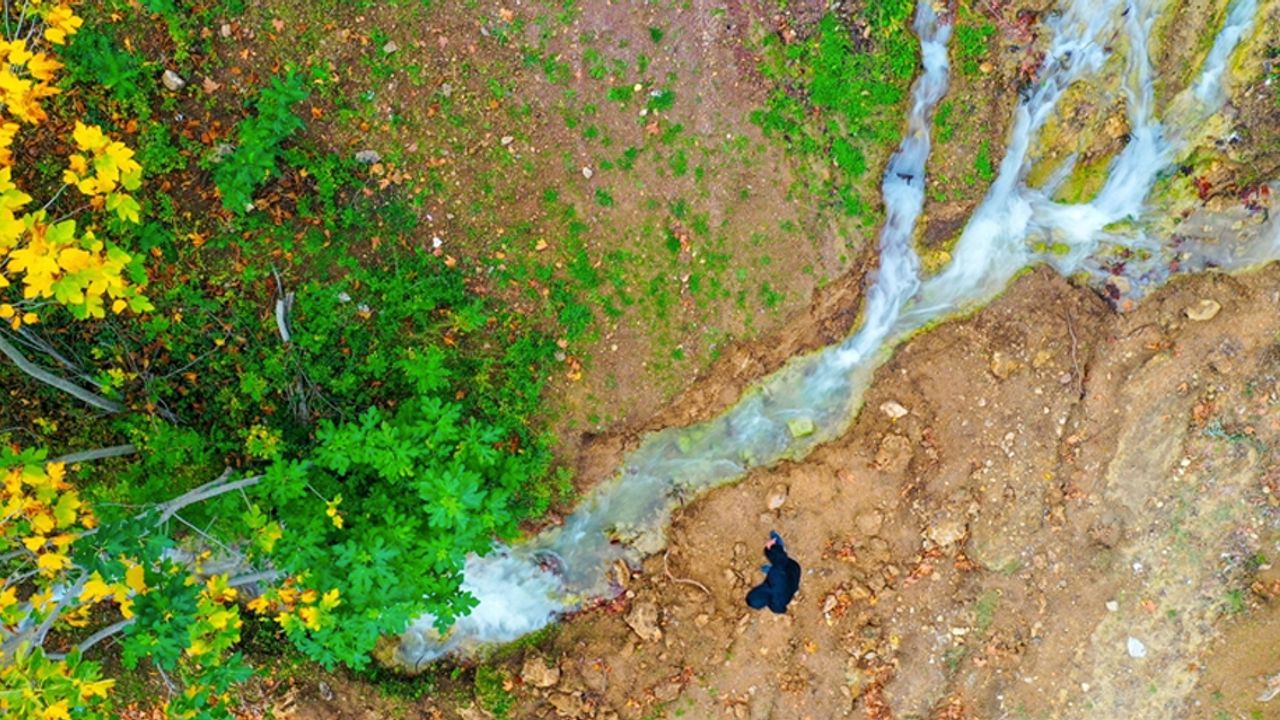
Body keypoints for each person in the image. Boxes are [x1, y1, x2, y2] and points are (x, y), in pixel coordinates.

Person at [745, 530, 801, 614]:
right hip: (793, 570)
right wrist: (771, 548)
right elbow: (781, 560)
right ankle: (778, 544)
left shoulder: (775, 607)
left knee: (778, 577)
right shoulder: (775, 576)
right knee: (778, 562)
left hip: (793, 587)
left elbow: (782, 610)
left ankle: (771, 570)